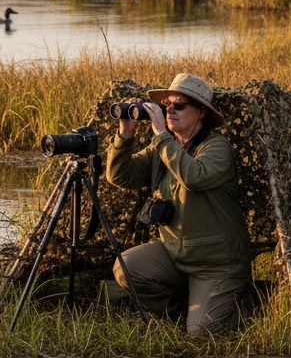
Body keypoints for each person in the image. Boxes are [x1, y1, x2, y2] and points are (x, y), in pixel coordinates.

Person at [105, 73, 251, 335]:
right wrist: (125, 135)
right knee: (125, 267)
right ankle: (182, 309)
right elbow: (119, 176)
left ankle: (237, 303)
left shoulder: (217, 148)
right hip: (176, 256)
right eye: (167, 105)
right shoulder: (161, 148)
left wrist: (161, 134)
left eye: (179, 105)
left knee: (200, 333)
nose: (170, 110)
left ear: (202, 112)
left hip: (216, 264)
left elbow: (194, 177)